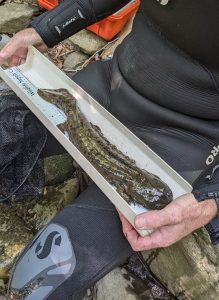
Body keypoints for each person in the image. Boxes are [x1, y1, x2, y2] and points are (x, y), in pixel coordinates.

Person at [0, 0, 219, 299]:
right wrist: (44, 30)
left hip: (188, 139)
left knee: (39, 279)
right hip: (113, 86)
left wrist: (210, 200)